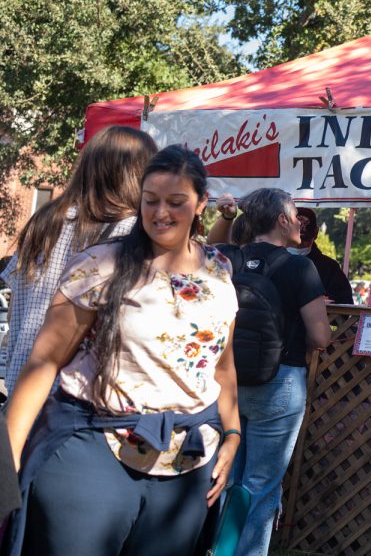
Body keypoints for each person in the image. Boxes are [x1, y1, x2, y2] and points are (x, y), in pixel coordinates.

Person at [4, 145, 241, 556]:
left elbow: (222, 369)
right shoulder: (99, 266)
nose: (160, 213)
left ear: (202, 203)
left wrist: (233, 434)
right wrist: (5, 466)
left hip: (186, 467)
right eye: (150, 201)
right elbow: (43, 363)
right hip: (91, 456)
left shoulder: (220, 272)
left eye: (175, 202)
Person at [215, 188, 332, 556]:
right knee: (262, 487)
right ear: (282, 220)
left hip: (228, 382)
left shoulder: (231, 258)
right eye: (295, 213)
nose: (300, 221)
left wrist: (227, 218)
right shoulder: (300, 266)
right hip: (280, 383)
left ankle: (219, 550)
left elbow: (205, 248)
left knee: (227, 478)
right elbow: (321, 336)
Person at [1, 125, 157, 389]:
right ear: (139, 174)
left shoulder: (45, 220)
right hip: (77, 397)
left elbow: (16, 304)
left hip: (24, 380)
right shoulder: (131, 232)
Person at [293, 207, 353, 304]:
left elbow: (344, 302)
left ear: (316, 233)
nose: (300, 242)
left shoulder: (330, 268)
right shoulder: (273, 261)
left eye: (305, 239)